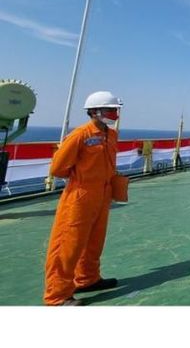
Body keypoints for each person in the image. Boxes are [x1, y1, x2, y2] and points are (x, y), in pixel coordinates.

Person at [44, 91, 124, 306]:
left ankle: (88, 279)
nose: (115, 114)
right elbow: (58, 168)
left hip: (103, 193)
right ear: (94, 111)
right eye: (111, 110)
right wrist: (83, 179)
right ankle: (57, 296)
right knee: (67, 245)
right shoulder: (80, 134)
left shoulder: (112, 135)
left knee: (94, 240)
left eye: (116, 110)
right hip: (80, 196)